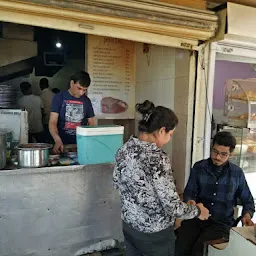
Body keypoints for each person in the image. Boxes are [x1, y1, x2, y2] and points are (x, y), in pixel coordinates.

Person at [113, 100, 210, 256]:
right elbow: (172, 207)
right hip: (154, 235)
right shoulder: (157, 159)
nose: (169, 139)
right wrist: (198, 211)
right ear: (162, 131)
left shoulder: (124, 149)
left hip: (129, 226)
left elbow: (117, 183)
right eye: (170, 134)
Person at [175, 131, 255, 256]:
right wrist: (190, 202)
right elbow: (189, 193)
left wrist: (247, 215)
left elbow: (248, 200)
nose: (217, 157)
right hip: (197, 218)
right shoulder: (199, 167)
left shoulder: (236, 173)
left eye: (223, 154)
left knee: (200, 251)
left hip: (221, 223)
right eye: (215, 151)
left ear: (231, 154)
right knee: (180, 248)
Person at [49, 70, 95, 153]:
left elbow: (91, 123)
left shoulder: (87, 101)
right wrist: (57, 140)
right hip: (62, 143)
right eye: (79, 88)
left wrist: (90, 140)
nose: (81, 93)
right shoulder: (59, 97)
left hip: (81, 144)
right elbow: (52, 122)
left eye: (84, 90)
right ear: (71, 83)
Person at [39, 78, 54, 143]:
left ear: (40, 85)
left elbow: (41, 110)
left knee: (46, 140)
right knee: (52, 139)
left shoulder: (40, 96)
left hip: (44, 121)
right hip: (54, 120)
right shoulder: (54, 95)